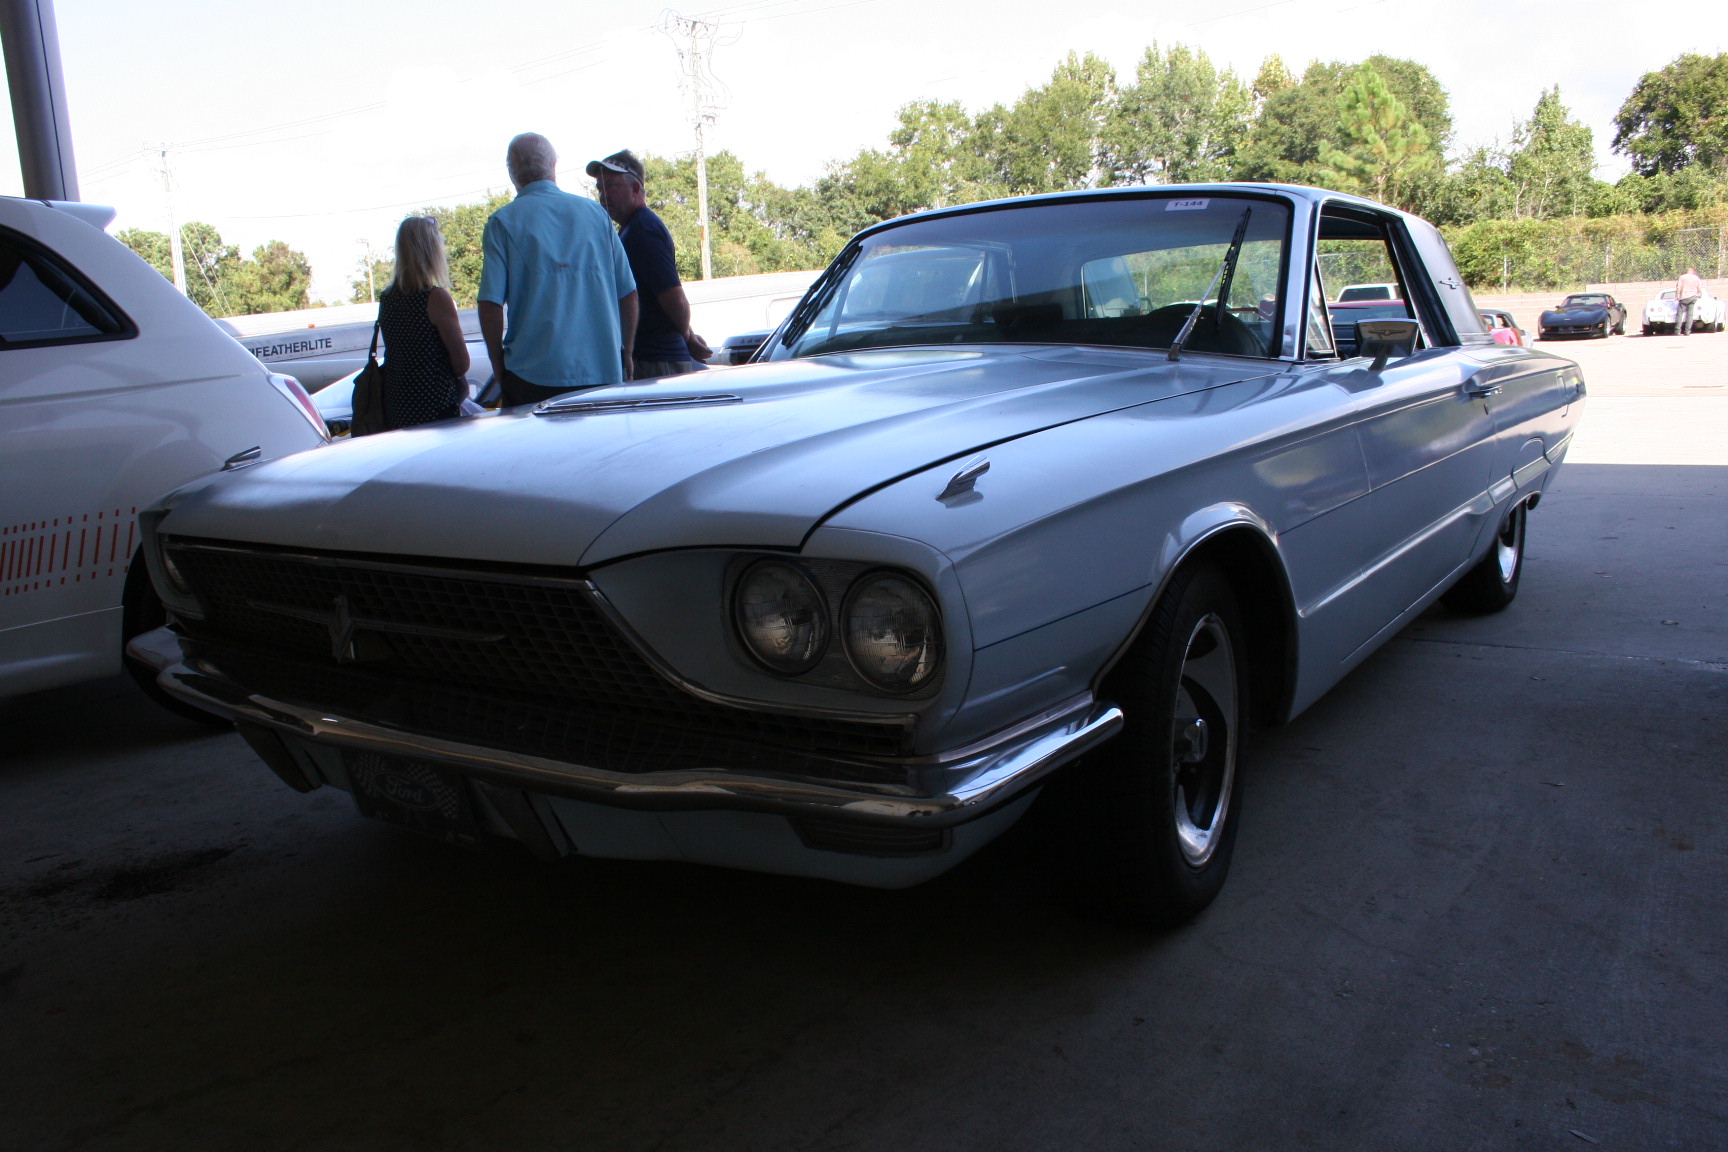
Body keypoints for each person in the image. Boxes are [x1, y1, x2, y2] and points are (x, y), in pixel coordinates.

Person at [478, 133, 637, 408]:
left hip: (531, 377)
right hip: (601, 372)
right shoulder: (596, 215)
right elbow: (628, 293)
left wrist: (498, 364)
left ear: (511, 172)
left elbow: (490, 304)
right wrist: (627, 351)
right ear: (554, 165)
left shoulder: (502, 223)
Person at [587, 149, 711, 379]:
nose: (604, 196)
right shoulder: (631, 229)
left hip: (657, 362)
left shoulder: (643, 230)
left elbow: (674, 297)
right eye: (600, 189)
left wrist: (687, 336)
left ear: (635, 189)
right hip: (652, 358)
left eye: (612, 186)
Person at [378, 215, 469, 429]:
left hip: (398, 405)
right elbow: (461, 364)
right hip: (435, 406)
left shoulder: (388, 298)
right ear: (431, 252)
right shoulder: (435, 298)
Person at [1675, 266, 1704, 336]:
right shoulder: (1696, 278)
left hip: (1684, 297)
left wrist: (1677, 296)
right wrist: (1699, 295)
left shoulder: (1682, 277)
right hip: (1693, 297)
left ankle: (1677, 331)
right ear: (1693, 272)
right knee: (1690, 315)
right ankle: (1687, 331)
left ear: (1687, 271)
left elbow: (1679, 287)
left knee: (1680, 314)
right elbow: (1699, 289)